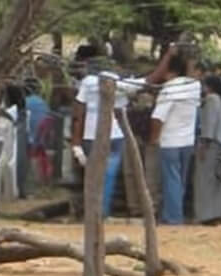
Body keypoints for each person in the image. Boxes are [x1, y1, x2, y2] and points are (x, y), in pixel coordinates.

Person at [68, 45, 168, 214]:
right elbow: (150, 80)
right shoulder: (117, 82)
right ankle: (102, 211)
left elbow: (78, 113)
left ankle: (93, 212)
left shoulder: (88, 83)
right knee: (109, 176)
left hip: (91, 136)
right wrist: (169, 55)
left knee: (93, 177)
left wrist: (76, 144)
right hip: (116, 136)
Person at [150, 54, 201, 225]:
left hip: (170, 141)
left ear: (169, 70)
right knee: (181, 180)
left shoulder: (169, 89)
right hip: (188, 140)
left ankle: (173, 218)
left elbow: (158, 117)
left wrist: (154, 138)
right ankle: (172, 213)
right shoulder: (195, 86)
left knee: (171, 179)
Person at [193, 75, 221, 224]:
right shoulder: (220, 100)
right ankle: (219, 212)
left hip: (210, 145)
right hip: (220, 144)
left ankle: (206, 214)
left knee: (205, 181)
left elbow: (210, 123)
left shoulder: (211, 100)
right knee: (217, 181)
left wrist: (204, 143)